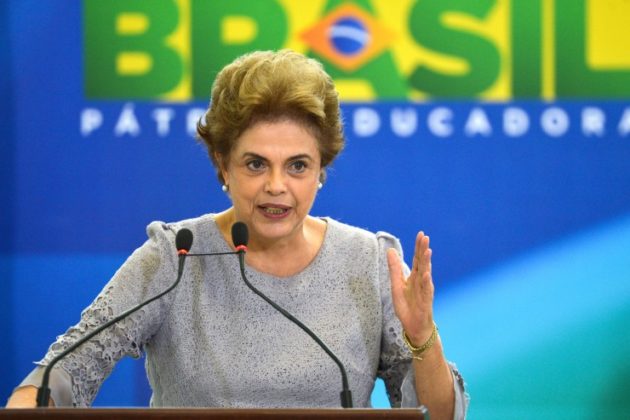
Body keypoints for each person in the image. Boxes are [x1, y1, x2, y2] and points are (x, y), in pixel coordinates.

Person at [6, 50, 468, 418]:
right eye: (255, 164)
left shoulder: (367, 262)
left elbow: (437, 416)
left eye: (298, 166)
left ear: (321, 171)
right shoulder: (176, 258)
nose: (276, 186)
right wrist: (28, 405)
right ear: (222, 165)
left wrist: (423, 337)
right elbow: (69, 370)